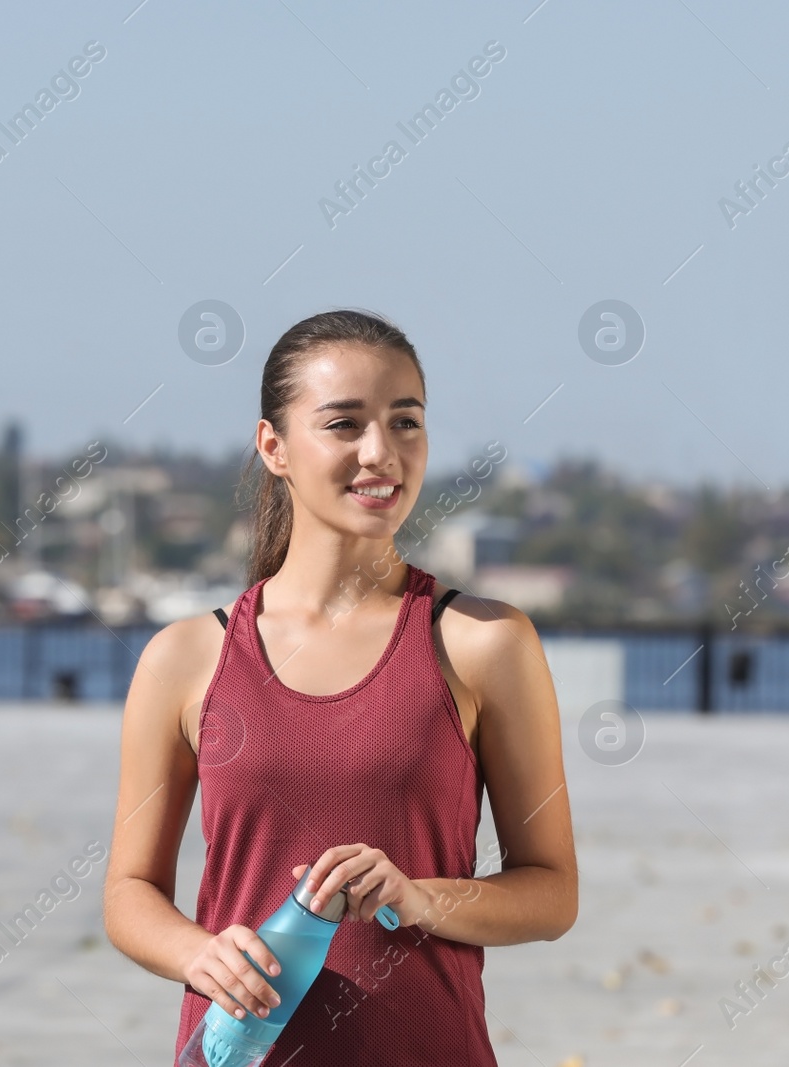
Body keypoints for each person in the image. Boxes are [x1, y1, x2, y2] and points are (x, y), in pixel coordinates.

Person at [103, 309, 577, 1064]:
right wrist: (198, 954)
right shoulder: (186, 658)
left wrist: (420, 898)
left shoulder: (483, 642)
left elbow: (552, 892)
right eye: (345, 423)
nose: (381, 452)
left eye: (406, 422)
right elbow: (130, 891)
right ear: (274, 446)